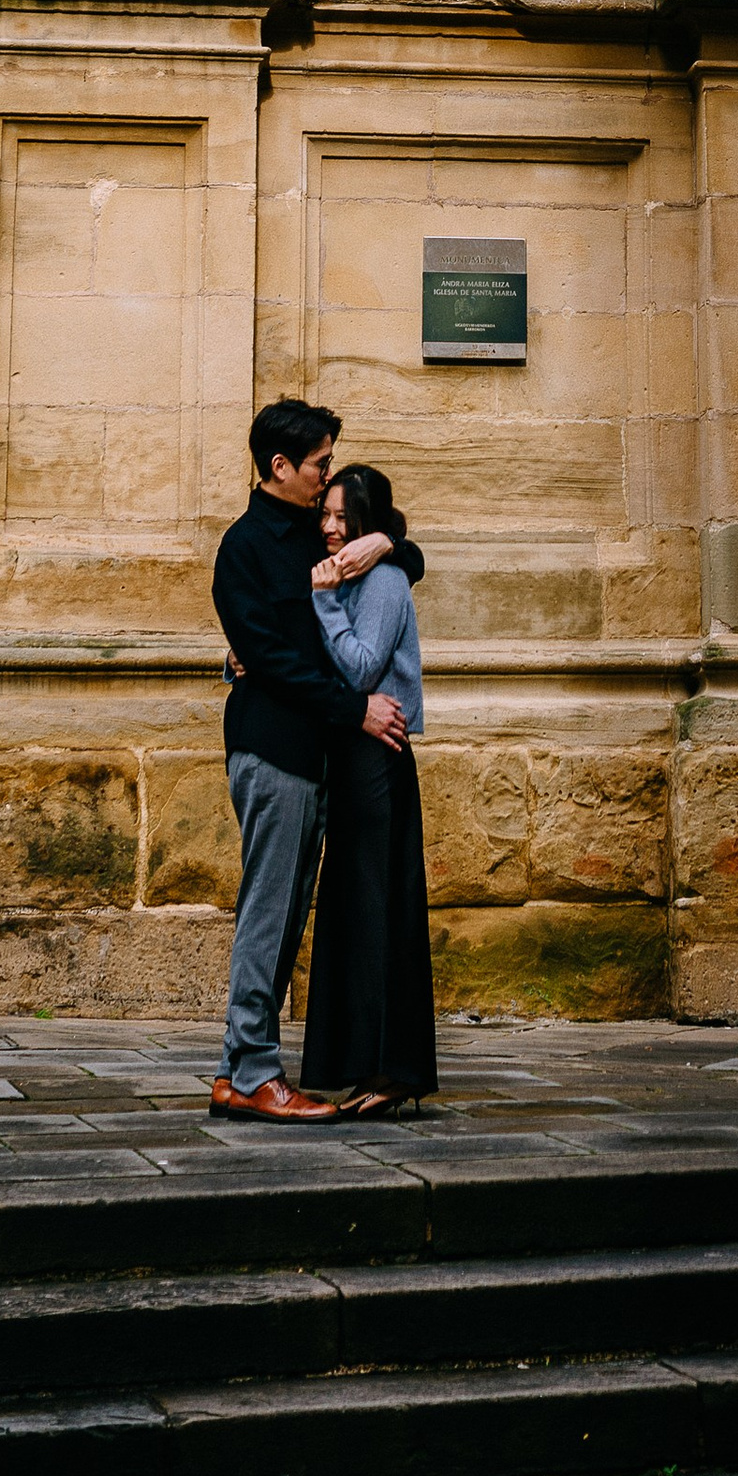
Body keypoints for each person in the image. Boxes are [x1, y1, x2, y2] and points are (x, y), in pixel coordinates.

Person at [209, 398, 415, 1124]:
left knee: (287, 910)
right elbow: (274, 660)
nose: (328, 475)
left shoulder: (313, 531)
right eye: (320, 463)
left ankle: (238, 1071)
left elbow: (409, 557)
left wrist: (384, 542)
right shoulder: (243, 548)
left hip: (311, 754)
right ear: (280, 466)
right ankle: (254, 1072)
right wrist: (356, 708)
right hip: (272, 748)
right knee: (269, 913)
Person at [300, 464, 437, 1117]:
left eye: (343, 517)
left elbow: (360, 668)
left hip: (380, 761)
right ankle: (359, 1065)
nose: (330, 527)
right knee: (351, 912)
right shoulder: (345, 571)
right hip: (350, 759)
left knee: (381, 912)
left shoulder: (381, 581)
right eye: (325, 514)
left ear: (367, 523)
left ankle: (394, 1071)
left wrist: (326, 602)